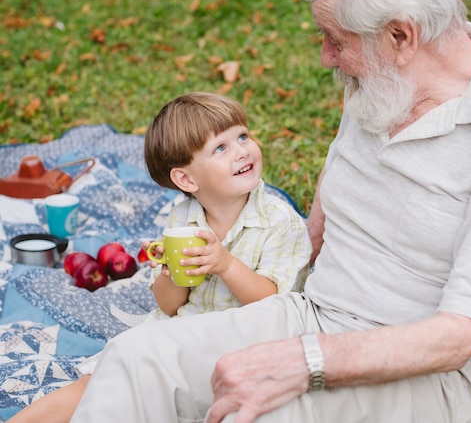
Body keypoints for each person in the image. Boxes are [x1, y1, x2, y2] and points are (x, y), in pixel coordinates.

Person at [69, 0, 471, 422]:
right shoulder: (383, 80)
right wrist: (286, 276)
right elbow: (336, 180)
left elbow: (458, 339)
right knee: (137, 356)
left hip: (442, 375)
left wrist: (303, 363)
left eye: (335, 39)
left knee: (265, 414)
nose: (326, 56)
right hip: (318, 317)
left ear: (400, 35)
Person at [7, 92, 311, 423]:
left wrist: (226, 265)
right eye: (221, 148)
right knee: (98, 380)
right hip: (179, 331)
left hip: (244, 344)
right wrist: (170, 272)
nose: (242, 150)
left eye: (242, 136)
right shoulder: (184, 218)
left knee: (131, 394)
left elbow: (277, 309)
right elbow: (169, 306)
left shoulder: (280, 222)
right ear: (186, 179)